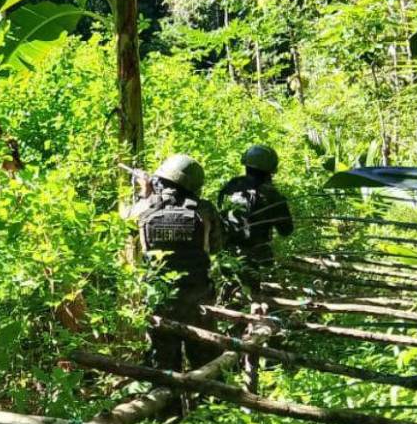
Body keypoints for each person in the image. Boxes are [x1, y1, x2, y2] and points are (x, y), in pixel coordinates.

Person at [126, 154, 223, 372]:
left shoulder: (145, 207)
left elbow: (127, 231)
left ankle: (168, 405)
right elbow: (216, 246)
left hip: (160, 299)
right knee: (206, 365)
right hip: (199, 298)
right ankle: (211, 404)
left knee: (162, 369)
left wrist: (145, 193)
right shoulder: (204, 209)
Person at [217, 145, 294, 298]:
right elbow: (286, 230)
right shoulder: (272, 195)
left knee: (231, 299)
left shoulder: (231, 187)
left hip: (227, 257)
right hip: (258, 259)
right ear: (270, 171)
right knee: (263, 304)